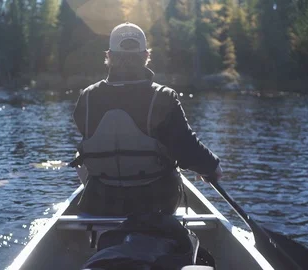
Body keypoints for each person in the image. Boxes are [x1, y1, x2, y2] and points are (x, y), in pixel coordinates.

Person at [71, 22, 222, 216]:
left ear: (109, 56)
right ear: (145, 56)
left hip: (102, 200)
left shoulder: (87, 98)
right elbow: (186, 147)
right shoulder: (164, 97)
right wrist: (211, 166)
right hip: (154, 204)